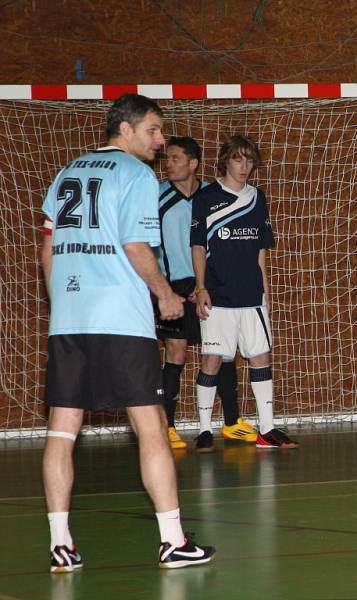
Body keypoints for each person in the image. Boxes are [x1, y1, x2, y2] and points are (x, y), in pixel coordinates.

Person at [40, 93, 215, 572]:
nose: (161, 142)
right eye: (154, 130)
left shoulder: (66, 173)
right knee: (151, 426)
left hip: (70, 321)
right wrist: (163, 293)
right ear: (126, 130)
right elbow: (135, 245)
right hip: (120, 319)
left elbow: (49, 246)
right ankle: (173, 540)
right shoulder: (136, 176)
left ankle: (61, 544)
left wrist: (64, 305)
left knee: (61, 430)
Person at [191, 134, 298, 450]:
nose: (244, 166)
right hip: (217, 297)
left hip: (251, 297)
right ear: (226, 160)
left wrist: (266, 291)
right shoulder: (206, 198)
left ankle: (267, 430)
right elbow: (197, 247)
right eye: (238, 159)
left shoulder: (257, 197)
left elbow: (261, 252)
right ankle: (205, 430)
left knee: (261, 358)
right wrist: (200, 288)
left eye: (249, 160)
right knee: (211, 360)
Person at [156, 136, 255, 450]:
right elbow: (144, 246)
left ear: (193, 163)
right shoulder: (156, 198)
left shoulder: (214, 196)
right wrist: (163, 289)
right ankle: (167, 426)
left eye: (175, 158)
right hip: (173, 286)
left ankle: (231, 422)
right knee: (176, 352)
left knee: (221, 351)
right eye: (167, 158)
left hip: (209, 285)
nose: (168, 164)